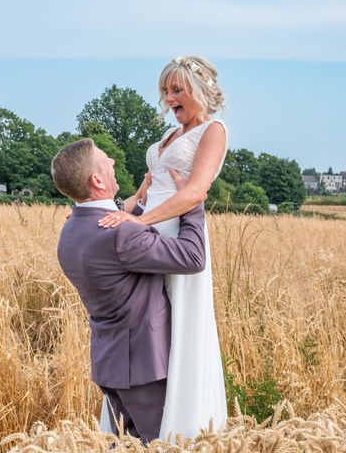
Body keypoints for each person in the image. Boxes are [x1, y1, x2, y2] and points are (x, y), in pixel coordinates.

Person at [99, 55, 228, 440]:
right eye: (165, 91)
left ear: (199, 91)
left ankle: (182, 430)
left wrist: (141, 222)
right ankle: (140, 420)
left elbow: (195, 190)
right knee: (144, 321)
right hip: (147, 232)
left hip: (177, 236)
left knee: (176, 325)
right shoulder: (170, 138)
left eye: (176, 90)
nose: (168, 98)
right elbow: (141, 193)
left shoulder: (213, 130)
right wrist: (98, 215)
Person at [51, 138, 207, 444]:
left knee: (126, 444)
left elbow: (111, 224)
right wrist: (193, 200)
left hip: (111, 363)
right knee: (161, 445)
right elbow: (193, 257)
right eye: (106, 160)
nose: (112, 163)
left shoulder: (70, 230)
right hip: (142, 367)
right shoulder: (120, 233)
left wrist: (137, 203)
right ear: (96, 179)